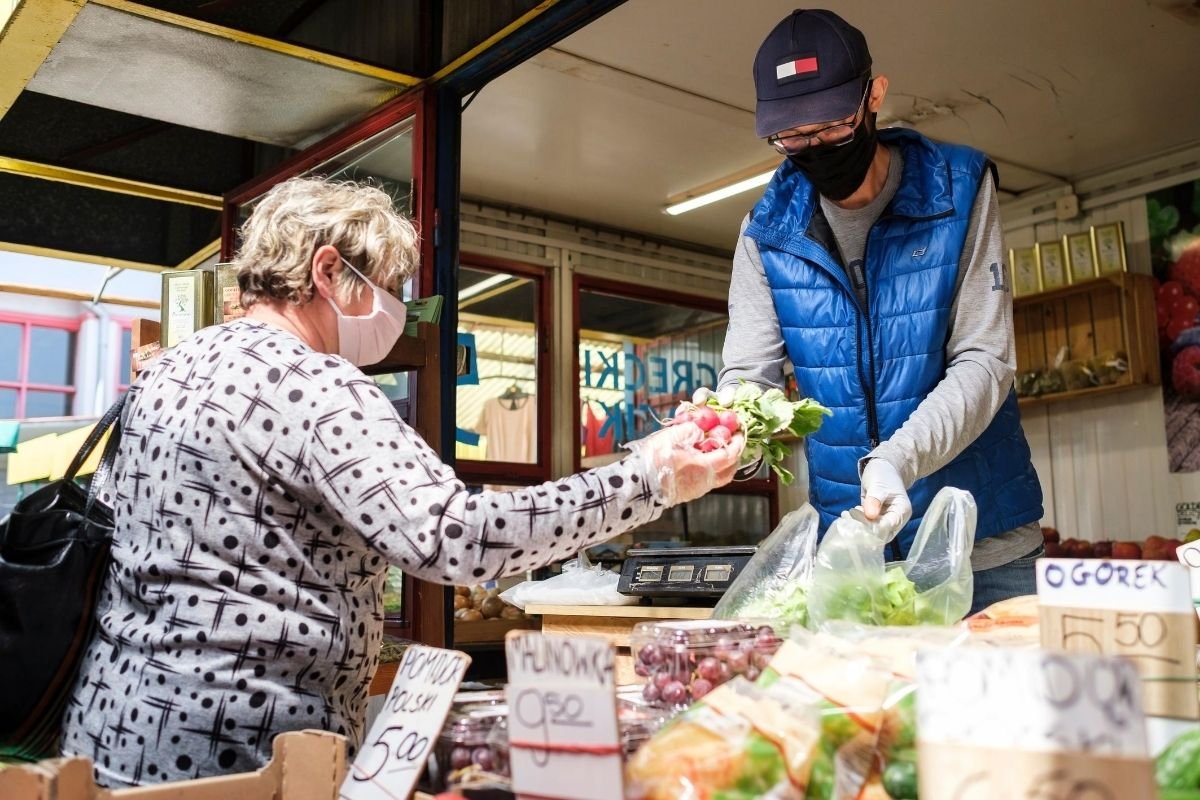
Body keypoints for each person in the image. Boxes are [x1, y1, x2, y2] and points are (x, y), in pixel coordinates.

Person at [61, 177, 743, 787]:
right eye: (386, 286)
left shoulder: (171, 370)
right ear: (328, 270)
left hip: (110, 730)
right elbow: (457, 536)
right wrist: (647, 479)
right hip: (244, 754)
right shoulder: (313, 383)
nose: (392, 309)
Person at [702, 9, 1043, 613]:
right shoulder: (766, 232)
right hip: (858, 551)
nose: (814, 149)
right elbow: (749, 376)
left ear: (874, 96)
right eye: (792, 137)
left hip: (981, 547)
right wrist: (729, 431)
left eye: (832, 126)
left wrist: (895, 460)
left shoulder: (958, 189)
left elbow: (985, 360)